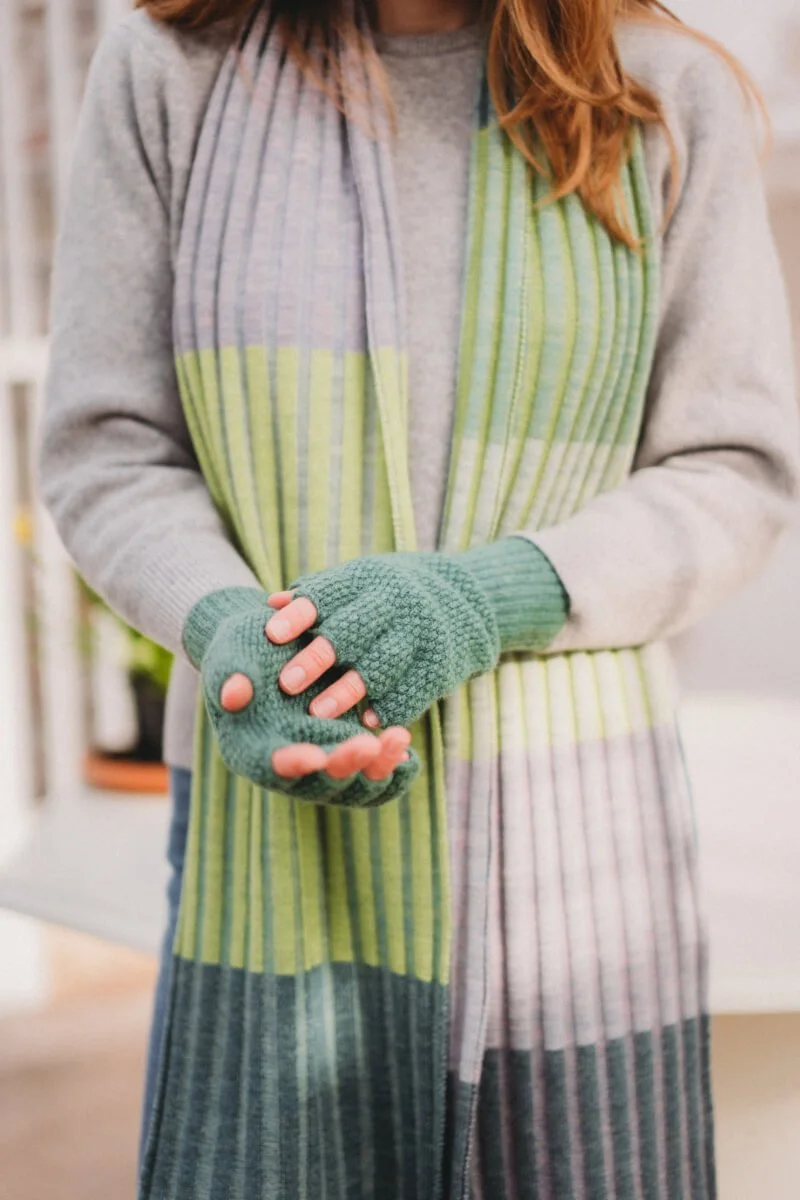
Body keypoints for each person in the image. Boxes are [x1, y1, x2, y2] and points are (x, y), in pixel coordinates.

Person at [38, 0, 799, 1196]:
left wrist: (487, 598)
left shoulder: (657, 91)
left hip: (572, 865)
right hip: (270, 838)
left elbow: (734, 469)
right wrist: (238, 637)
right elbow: (107, 446)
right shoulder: (167, 73)